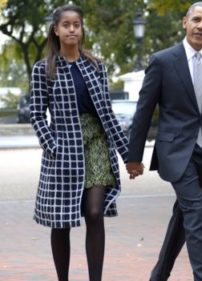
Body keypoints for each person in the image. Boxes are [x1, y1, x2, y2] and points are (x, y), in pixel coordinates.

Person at [126, 2, 202, 281]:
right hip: (175, 151)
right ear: (185, 22)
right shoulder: (163, 60)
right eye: (196, 20)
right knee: (196, 212)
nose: (201, 26)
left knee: (184, 216)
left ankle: (159, 276)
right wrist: (134, 156)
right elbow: (144, 110)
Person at [29, 4, 129, 281]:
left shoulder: (96, 65)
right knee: (61, 221)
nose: (72, 29)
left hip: (96, 141)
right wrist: (52, 146)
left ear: (82, 29)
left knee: (94, 212)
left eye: (77, 25)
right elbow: (37, 115)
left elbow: (107, 112)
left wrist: (127, 154)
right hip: (63, 148)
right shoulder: (43, 69)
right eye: (66, 25)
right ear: (56, 30)